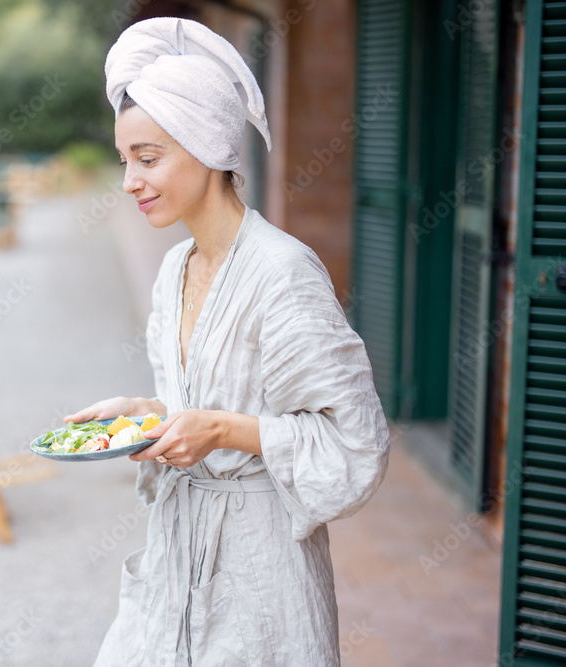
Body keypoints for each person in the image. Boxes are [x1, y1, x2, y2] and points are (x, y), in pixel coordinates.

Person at [62, 17, 390, 666]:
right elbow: (197, 403)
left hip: (261, 579)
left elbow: (358, 439)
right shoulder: (173, 270)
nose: (129, 180)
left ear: (209, 146)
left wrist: (222, 431)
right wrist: (145, 414)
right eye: (126, 159)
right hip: (173, 562)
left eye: (148, 159)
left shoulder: (283, 273)